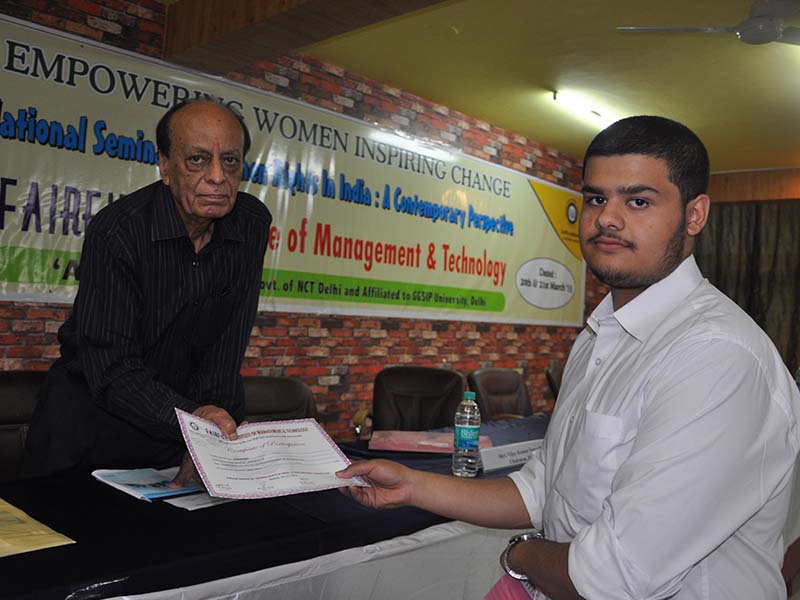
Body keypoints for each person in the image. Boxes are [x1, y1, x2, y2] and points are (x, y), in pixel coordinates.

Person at [337, 116, 800, 599]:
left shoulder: (717, 357)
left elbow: (612, 576)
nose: (607, 219)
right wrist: (412, 486)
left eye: (638, 201)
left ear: (695, 215)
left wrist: (520, 556)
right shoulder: (599, 338)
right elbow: (544, 490)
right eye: (596, 198)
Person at [24, 99, 271, 485]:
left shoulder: (250, 224)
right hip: (92, 428)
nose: (217, 177)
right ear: (165, 166)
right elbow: (111, 369)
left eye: (230, 161)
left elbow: (225, 351)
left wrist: (207, 443)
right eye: (197, 160)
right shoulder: (118, 231)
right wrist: (195, 422)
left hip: (182, 432)